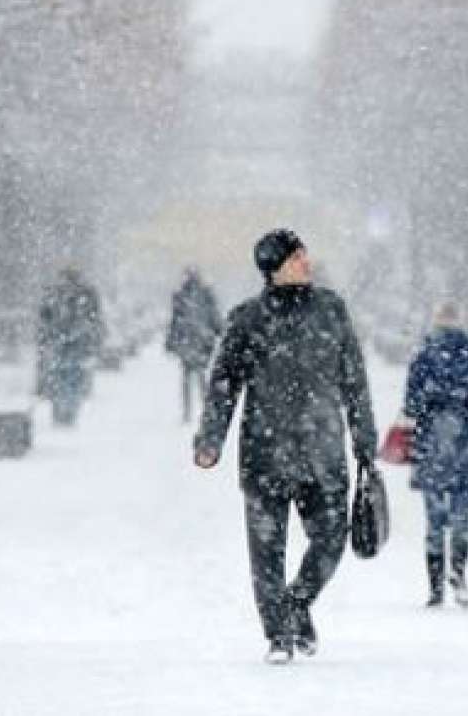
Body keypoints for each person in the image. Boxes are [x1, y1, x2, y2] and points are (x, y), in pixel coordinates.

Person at [193, 229, 379, 664]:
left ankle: (296, 603)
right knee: (266, 552)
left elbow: (354, 380)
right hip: (265, 455)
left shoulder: (332, 311)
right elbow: (223, 385)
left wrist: (364, 440)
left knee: (332, 541)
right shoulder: (246, 320)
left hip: (324, 453)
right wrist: (209, 439)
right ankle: (277, 635)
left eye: (305, 254)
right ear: (274, 268)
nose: (305, 262)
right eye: (296, 257)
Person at [402, 300, 468, 609]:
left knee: (434, 521)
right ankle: (458, 573)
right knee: (461, 519)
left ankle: (435, 585)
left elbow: (411, 407)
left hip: (431, 447)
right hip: (465, 448)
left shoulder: (422, 363)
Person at [36, 267, 104, 427]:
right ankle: (69, 412)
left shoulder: (53, 293)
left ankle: (60, 411)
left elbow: (43, 319)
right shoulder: (86, 293)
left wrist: (46, 339)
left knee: (59, 377)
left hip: (59, 343)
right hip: (77, 344)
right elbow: (94, 319)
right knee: (73, 378)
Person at [165, 266, 222, 423]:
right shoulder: (204, 294)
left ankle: (189, 411)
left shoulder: (182, 295)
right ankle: (203, 410)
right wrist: (219, 331)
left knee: (189, 377)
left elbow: (175, 321)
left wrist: (171, 341)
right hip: (201, 341)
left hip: (189, 342)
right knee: (200, 376)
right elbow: (214, 316)